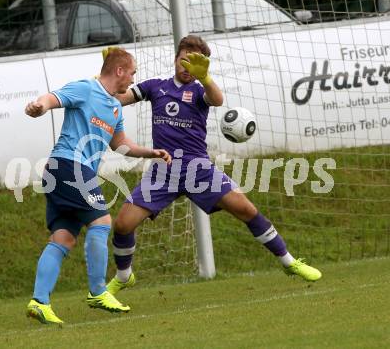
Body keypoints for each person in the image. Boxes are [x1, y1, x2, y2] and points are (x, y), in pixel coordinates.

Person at [102, 35, 322, 298]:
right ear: (175, 59)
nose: (187, 67)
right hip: (163, 172)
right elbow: (120, 98)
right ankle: (124, 276)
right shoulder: (155, 87)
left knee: (246, 209)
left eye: (195, 64)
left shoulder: (198, 91)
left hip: (198, 170)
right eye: (184, 60)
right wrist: (110, 78)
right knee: (123, 224)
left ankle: (289, 262)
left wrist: (204, 78)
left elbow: (217, 99)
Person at [24, 48, 171, 325]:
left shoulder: (115, 107)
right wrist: (39, 106)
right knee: (102, 221)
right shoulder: (86, 88)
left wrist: (150, 153)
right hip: (69, 165)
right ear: (119, 71)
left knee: (64, 238)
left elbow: (120, 145)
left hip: (65, 172)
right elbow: (52, 98)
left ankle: (39, 301)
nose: (133, 78)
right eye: (132, 73)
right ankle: (97, 291)